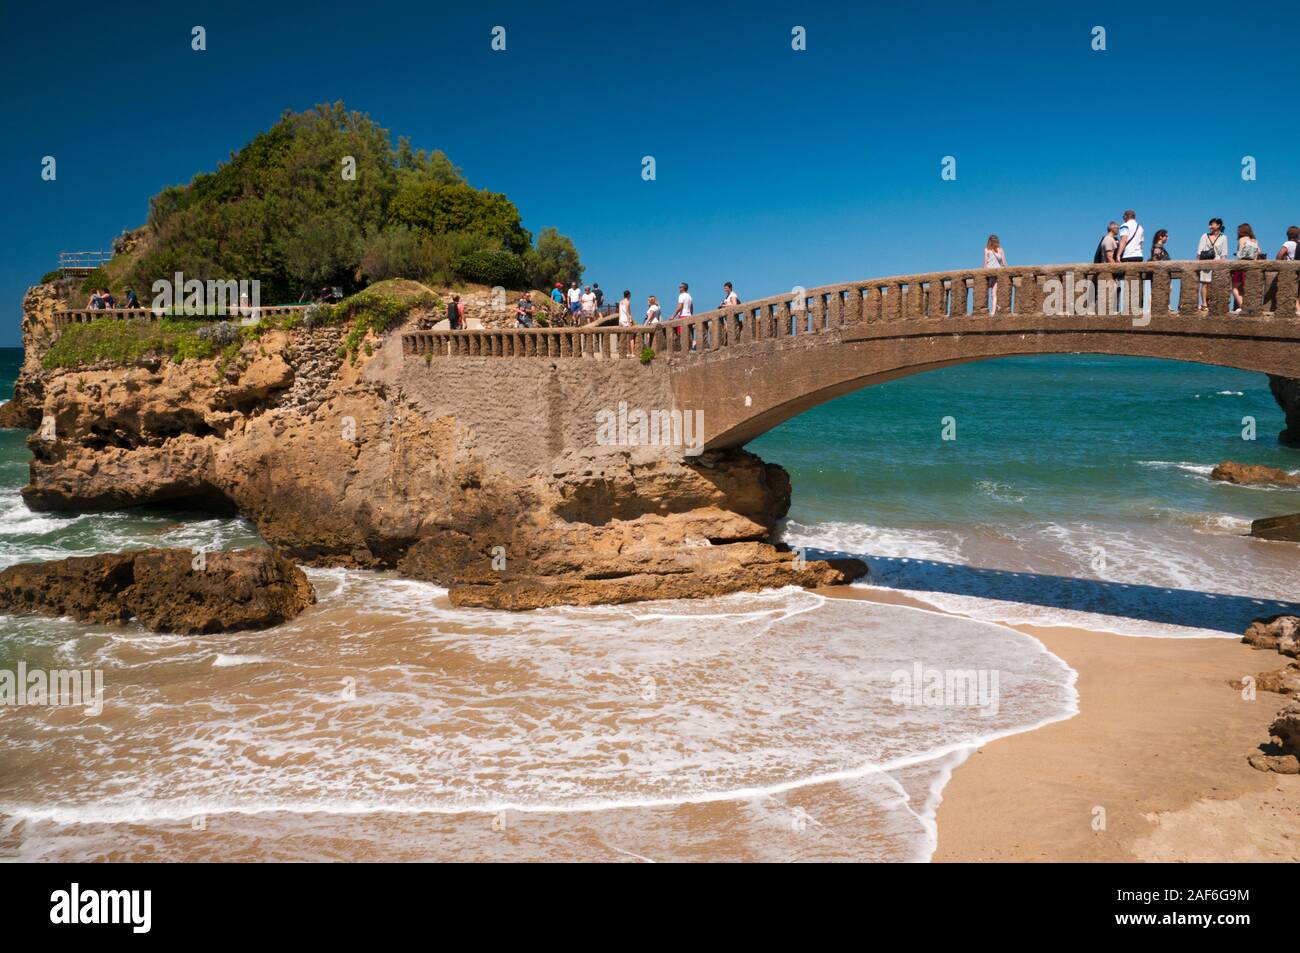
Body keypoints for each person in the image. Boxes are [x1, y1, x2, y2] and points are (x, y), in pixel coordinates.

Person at [1196, 218, 1227, 312]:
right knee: (1205, 284)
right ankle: (1204, 304)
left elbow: (1224, 253)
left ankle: (1214, 303)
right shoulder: (1204, 236)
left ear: (1218, 226)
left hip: (1217, 263)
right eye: (1209, 225)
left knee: (1215, 284)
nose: (1210, 227)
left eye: (1212, 225)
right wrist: (1198, 264)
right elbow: (1199, 251)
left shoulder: (1223, 237)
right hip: (1206, 262)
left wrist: (1223, 266)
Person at [1231, 223, 1261, 311]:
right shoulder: (1254, 240)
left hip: (1242, 266)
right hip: (1252, 266)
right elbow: (1259, 252)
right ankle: (1247, 307)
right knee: (1245, 288)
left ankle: (1242, 307)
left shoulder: (1242, 239)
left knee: (1234, 288)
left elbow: (1240, 252)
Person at [983, 235, 1006, 314]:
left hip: (995, 274)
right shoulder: (988, 250)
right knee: (992, 293)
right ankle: (994, 309)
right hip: (992, 274)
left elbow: (985, 263)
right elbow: (1004, 264)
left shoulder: (998, 250)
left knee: (993, 293)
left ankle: (993, 311)